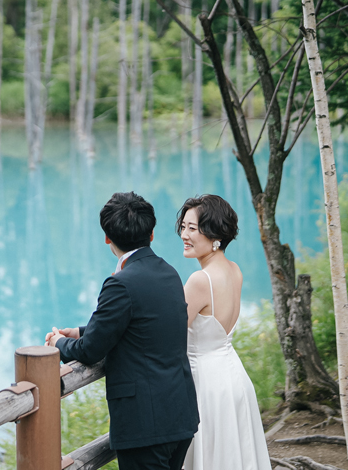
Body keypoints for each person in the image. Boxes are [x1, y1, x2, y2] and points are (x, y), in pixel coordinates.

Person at [45, 191, 199, 470]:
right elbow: (144, 322)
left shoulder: (121, 283)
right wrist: (81, 331)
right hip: (180, 413)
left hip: (145, 423)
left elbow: (90, 351)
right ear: (151, 234)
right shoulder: (169, 272)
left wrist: (58, 343)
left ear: (107, 238)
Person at [177, 194, 272, 470]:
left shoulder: (200, 280)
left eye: (192, 228)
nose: (184, 234)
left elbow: (169, 332)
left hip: (206, 384)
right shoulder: (234, 270)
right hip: (233, 377)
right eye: (183, 227)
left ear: (214, 233)